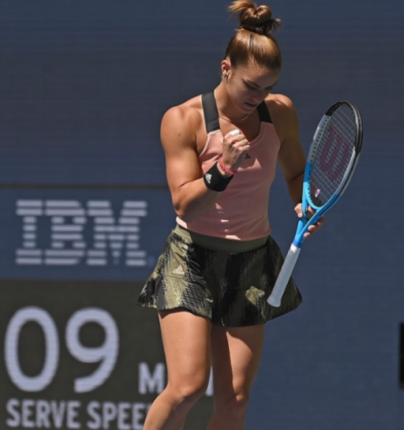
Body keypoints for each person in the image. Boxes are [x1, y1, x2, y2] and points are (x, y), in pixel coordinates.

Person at [136, 1, 322, 429]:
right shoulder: (183, 120)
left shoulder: (280, 112)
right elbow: (184, 204)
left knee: (235, 398)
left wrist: (304, 202)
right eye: (250, 86)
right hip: (192, 261)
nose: (258, 97)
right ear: (225, 69)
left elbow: (296, 173)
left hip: (251, 261)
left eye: (267, 87)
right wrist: (223, 169)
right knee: (187, 387)